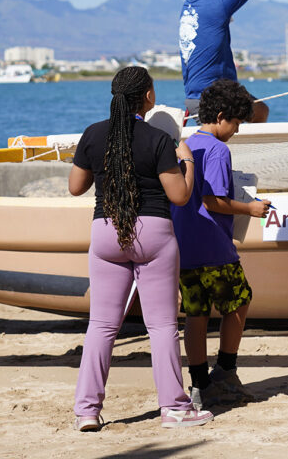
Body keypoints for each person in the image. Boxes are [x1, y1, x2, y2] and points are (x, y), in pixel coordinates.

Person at [68, 65, 213, 431]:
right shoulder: (158, 139)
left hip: (106, 231)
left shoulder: (93, 135)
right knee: (162, 325)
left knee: (101, 325)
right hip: (152, 233)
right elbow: (179, 196)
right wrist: (188, 161)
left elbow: (75, 187)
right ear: (148, 96)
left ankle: (87, 410)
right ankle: (175, 409)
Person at [173, 79, 269, 408]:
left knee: (196, 313)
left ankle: (199, 383)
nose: (237, 130)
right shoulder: (217, 150)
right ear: (221, 115)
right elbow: (213, 200)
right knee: (241, 300)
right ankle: (226, 370)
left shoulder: (185, 144)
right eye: (237, 122)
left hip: (184, 243)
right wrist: (250, 208)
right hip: (213, 244)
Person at [179, 0, 275, 123]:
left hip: (197, 96)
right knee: (261, 113)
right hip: (213, 100)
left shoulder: (192, 2)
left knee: (258, 112)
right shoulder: (217, 5)